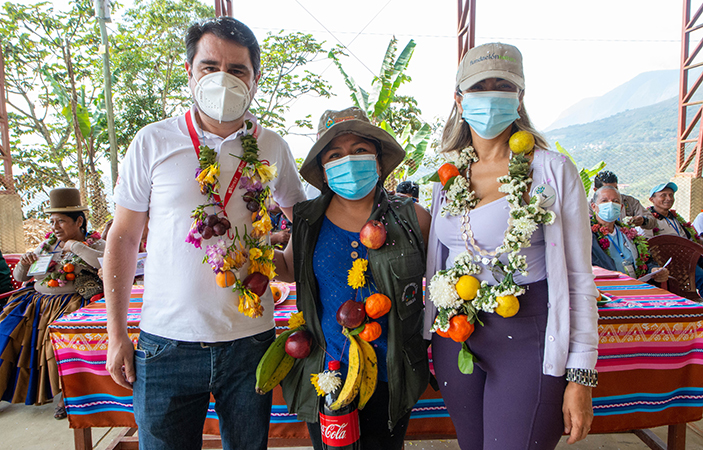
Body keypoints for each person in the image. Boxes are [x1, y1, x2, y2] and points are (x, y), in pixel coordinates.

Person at [104, 17, 306, 450]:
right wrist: (116, 333)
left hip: (250, 340)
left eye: (237, 70)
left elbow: (304, 216)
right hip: (165, 346)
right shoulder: (153, 141)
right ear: (189, 71)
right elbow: (121, 239)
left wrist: (288, 264)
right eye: (210, 66)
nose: (222, 79)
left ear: (255, 79)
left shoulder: (271, 145)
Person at [424, 42, 598, 449]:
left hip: (527, 338)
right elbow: (438, 258)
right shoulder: (447, 174)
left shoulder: (551, 171)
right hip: (456, 339)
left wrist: (580, 375)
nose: (490, 94)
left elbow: (578, 277)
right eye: (479, 86)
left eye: (502, 85)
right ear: (458, 99)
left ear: (519, 97)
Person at [275, 107, 431, 449]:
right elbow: (287, 269)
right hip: (329, 370)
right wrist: (247, 251)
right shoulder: (306, 220)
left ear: (377, 160)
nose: (349, 160)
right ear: (324, 169)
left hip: (392, 373)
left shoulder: (413, 218)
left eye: (360, 150)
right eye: (335, 154)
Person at [0, 187, 104, 419]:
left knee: (55, 341)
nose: (55, 227)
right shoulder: (47, 245)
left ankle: (66, 394)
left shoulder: (95, 243)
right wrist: (25, 264)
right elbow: (19, 278)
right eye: (52, 222)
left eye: (61, 222)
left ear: (79, 221)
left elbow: (104, 264)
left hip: (70, 303)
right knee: (5, 332)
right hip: (35, 302)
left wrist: (76, 247)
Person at [590, 186, 669, 282]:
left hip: (635, 285)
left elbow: (647, 260)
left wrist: (654, 269)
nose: (610, 204)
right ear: (593, 206)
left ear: (621, 207)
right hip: (606, 287)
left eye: (615, 201)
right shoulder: (587, 234)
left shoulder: (628, 233)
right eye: (604, 201)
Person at [641, 181, 703, 294]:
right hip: (673, 264)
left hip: (692, 257)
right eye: (663, 195)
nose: (668, 198)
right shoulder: (648, 220)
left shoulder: (675, 218)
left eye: (671, 195)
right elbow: (647, 246)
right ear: (652, 199)